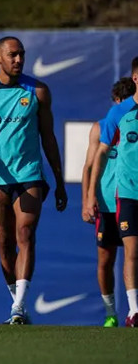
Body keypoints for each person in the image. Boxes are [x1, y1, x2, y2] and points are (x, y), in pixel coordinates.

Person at [0, 36, 67, 325]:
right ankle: (16, 302)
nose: (18, 60)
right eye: (12, 55)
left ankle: (18, 305)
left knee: (25, 234)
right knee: (5, 245)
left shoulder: (38, 91)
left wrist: (59, 179)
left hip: (29, 175)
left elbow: (49, 138)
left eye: (22, 55)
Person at [87, 58, 138, 327]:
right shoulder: (109, 121)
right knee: (112, 257)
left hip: (126, 195)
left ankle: (133, 310)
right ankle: (117, 312)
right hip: (115, 198)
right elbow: (93, 162)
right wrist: (89, 197)